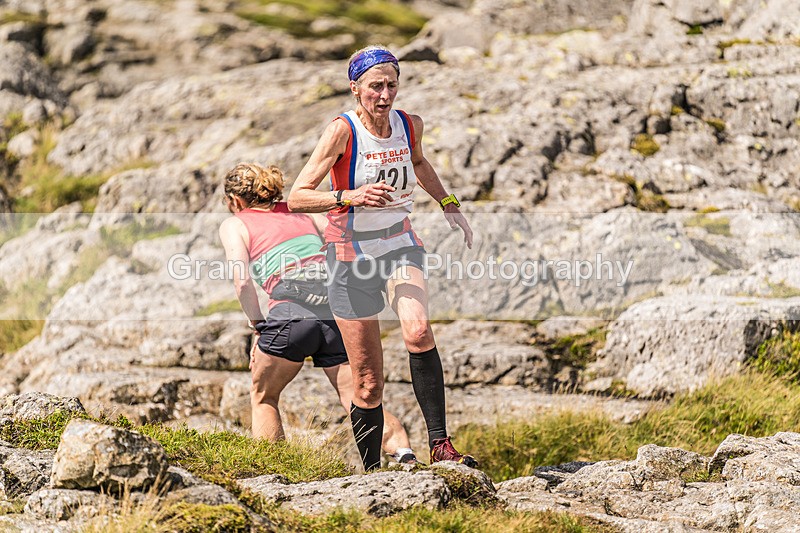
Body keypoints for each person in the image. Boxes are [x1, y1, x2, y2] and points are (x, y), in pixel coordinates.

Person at [287, 45, 477, 471]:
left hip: (399, 244)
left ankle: (441, 444)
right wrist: (349, 196)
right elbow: (297, 197)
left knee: (418, 330)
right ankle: (372, 471)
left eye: (392, 84)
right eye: (376, 86)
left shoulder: (410, 124)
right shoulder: (342, 132)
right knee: (369, 384)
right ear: (356, 89)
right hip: (349, 254)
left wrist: (448, 202)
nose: (385, 94)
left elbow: (420, 162)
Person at [218, 162, 418, 465]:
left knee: (264, 396)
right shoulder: (303, 211)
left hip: (290, 312)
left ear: (235, 201)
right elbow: (345, 240)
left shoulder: (235, 223)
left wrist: (258, 324)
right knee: (357, 396)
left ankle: (276, 470)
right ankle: (404, 453)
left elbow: (242, 279)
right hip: (334, 311)